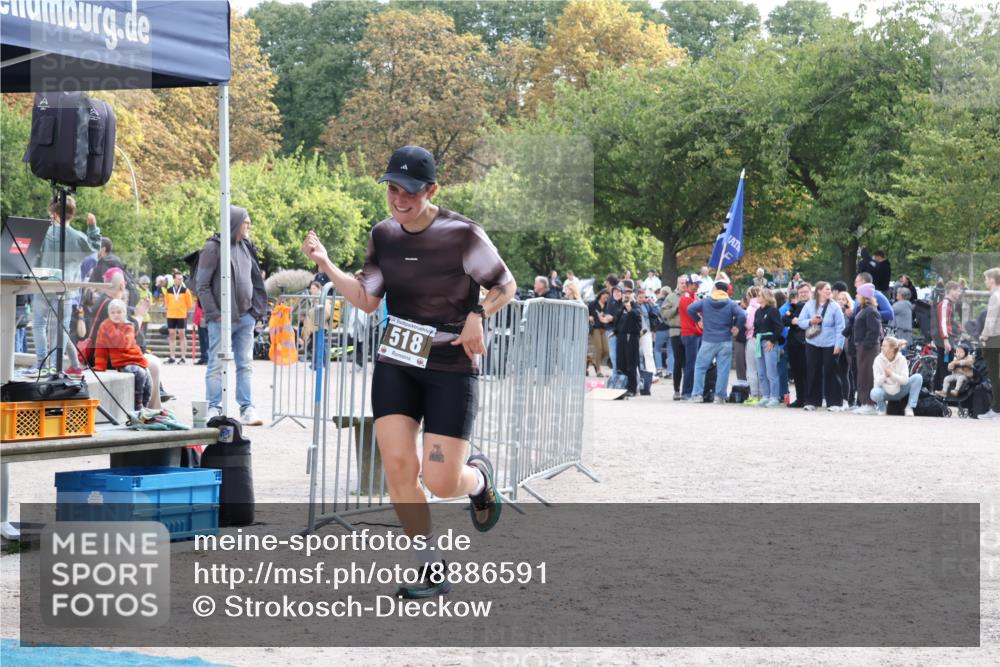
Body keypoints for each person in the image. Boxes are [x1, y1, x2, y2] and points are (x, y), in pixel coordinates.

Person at [302, 145, 513, 599]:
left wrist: (478, 313)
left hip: (450, 362)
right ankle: (430, 569)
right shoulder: (384, 235)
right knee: (399, 467)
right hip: (398, 358)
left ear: (432, 190)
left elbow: (505, 284)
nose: (399, 199)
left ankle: (477, 480)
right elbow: (366, 297)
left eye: (410, 192)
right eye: (392, 189)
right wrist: (326, 265)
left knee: (441, 481)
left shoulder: (462, 234)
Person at [197, 205, 268, 426]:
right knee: (216, 364)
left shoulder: (246, 246)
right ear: (236, 222)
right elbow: (202, 285)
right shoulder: (213, 248)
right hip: (221, 319)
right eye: (246, 222)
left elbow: (256, 280)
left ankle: (247, 408)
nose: (249, 226)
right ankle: (213, 406)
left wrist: (256, 311)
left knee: (245, 363)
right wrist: (215, 313)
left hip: (245, 317)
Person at [32, 195, 101, 373]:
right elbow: (94, 247)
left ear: (52, 211)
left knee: (40, 324)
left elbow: (33, 257)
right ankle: (56, 366)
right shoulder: (77, 237)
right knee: (61, 328)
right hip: (66, 289)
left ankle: (41, 363)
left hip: (43, 286)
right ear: (72, 214)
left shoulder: (42, 233)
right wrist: (92, 227)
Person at [687, 276, 746, 403]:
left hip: (708, 339)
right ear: (726, 290)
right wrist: (737, 327)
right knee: (723, 370)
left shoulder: (706, 301)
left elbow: (690, 309)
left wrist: (699, 320)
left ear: (715, 289)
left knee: (700, 367)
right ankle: (720, 397)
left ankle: (697, 395)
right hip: (725, 340)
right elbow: (742, 315)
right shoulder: (730, 303)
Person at [92, 298, 152, 410]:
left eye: (119, 312)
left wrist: (110, 329)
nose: (116, 315)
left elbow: (124, 344)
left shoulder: (129, 326)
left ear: (124, 313)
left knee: (148, 377)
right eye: (113, 312)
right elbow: (101, 346)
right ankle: (138, 404)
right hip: (122, 362)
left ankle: (145, 404)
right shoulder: (104, 326)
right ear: (109, 314)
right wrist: (100, 365)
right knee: (140, 374)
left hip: (134, 357)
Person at [797, 281, 846, 412]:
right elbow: (800, 322)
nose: (829, 292)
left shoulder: (835, 306)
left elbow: (840, 327)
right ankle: (812, 401)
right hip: (813, 343)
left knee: (831, 371)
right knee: (812, 371)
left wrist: (839, 344)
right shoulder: (809, 305)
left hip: (830, 343)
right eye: (827, 289)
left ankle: (835, 402)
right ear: (818, 291)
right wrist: (810, 321)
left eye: (830, 290)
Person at [851, 284, 883, 415]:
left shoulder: (871, 311)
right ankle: (864, 402)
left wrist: (865, 345)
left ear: (864, 296)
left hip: (869, 349)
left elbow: (874, 331)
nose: (856, 296)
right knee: (863, 375)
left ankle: (870, 403)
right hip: (863, 347)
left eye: (858, 294)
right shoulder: (863, 309)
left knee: (868, 375)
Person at [871, 336, 921, 416]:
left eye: (884, 345)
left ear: (892, 349)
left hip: (900, 390)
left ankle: (909, 408)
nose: (881, 347)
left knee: (918, 377)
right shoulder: (878, 360)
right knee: (874, 393)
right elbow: (877, 382)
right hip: (885, 392)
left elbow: (905, 381)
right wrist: (885, 375)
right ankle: (882, 409)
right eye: (882, 345)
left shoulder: (902, 359)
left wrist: (892, 375)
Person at [752, 288, 784, 407]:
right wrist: (754, 336)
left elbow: (779, 327)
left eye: (759, 295)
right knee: (761, 372)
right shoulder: (757, 311)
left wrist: (772, 341)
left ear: (766, 297)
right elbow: (756, 327)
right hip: (759, 343)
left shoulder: (773, 311)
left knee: (771, 372)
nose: (757, 297)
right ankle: (765, 396)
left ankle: (774, 397)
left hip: (769, 342)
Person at [783, 282, 812, 407]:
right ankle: (801, 398)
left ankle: (808, 398)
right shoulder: (795, 306)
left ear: (810, 293)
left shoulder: (812, 306)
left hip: (807, 342)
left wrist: (797, 321)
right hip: (794, 343)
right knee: (797, 372)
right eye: (801, 293)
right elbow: (784, 320)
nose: (803, 294)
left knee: (807, 372)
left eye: (805, 292)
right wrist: (792, 321)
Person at [931, 281, 962, 391]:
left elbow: (948, 321)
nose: (959, 293)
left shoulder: (948, 304)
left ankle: (937, 392)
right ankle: (944, 394)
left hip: (945, 339)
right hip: (945, 340)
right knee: (946, 367)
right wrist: (945, 340)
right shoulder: (945, 304)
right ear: (952, 290)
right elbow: (943, 322)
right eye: (958, 291)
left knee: (941, 367)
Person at [978, 268, 1000, 419]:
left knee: (994, 375)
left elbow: (990, 320)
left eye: (986, 279)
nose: (985, 281)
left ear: (992, 280)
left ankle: (996, 410)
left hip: (994, 338)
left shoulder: (995, 296)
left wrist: (983, 337)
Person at [661, 275, 687, 394]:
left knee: (689, 362)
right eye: (681, 283)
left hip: (690, 333)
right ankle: (676, 389)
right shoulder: (671, 297)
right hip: (676, 331)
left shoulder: (692, 296)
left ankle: (687, 390)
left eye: (685, 283)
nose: (684, 285)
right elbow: (663, 313)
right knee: (678, 361)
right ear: (677, 283)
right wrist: (675, 309)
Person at [678, 277, 702, 399]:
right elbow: (693, 314)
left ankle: (690, 390)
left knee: (693, 363)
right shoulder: (686, 298)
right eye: (695, 284)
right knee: (690, 364)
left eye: (698, 284)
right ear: (689, 284)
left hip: (695, 333)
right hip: (690, 333)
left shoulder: (694, 297)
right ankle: (687, 391)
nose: (697, 286)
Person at [164, 271, 194, 364]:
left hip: (181, 315)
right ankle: (172, 356)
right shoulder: (168, 290)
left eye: (182, 279)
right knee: (172, 334)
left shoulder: (186, 290)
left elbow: (190, 305)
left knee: (182, 334)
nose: (181, 280)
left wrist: (181, 308)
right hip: (171, 315)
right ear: (174, 279)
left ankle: (183, 357)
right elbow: (166, 303)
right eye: (179, 279)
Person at [743, 286, 763, 405]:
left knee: (752, 369)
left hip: (752, 338)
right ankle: (762, 395)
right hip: (762, 339)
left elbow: (749, 325)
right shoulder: (762, 307)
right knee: (761, 368)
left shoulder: (750, 308)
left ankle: (754, 395)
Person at [588, 290, 611, 377]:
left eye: (608, 296)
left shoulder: (607, 305)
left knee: (606, 350)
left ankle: (591, 361)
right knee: (599, 348)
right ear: (601, 294)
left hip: (604, 329)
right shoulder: (593, 304)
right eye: (606, 295)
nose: (607, 297)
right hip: (595, 328)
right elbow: (586, 313)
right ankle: (598, 370)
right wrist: (589, 317)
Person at [654, 287, 672, 378]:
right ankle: (670, 372)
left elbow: (656, 315)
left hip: (661, 329)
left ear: (662, 293)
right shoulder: (672, 302)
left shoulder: (658, 303)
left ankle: (659, 370)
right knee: (671, 351)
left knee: (657, 349)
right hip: (672, 328)